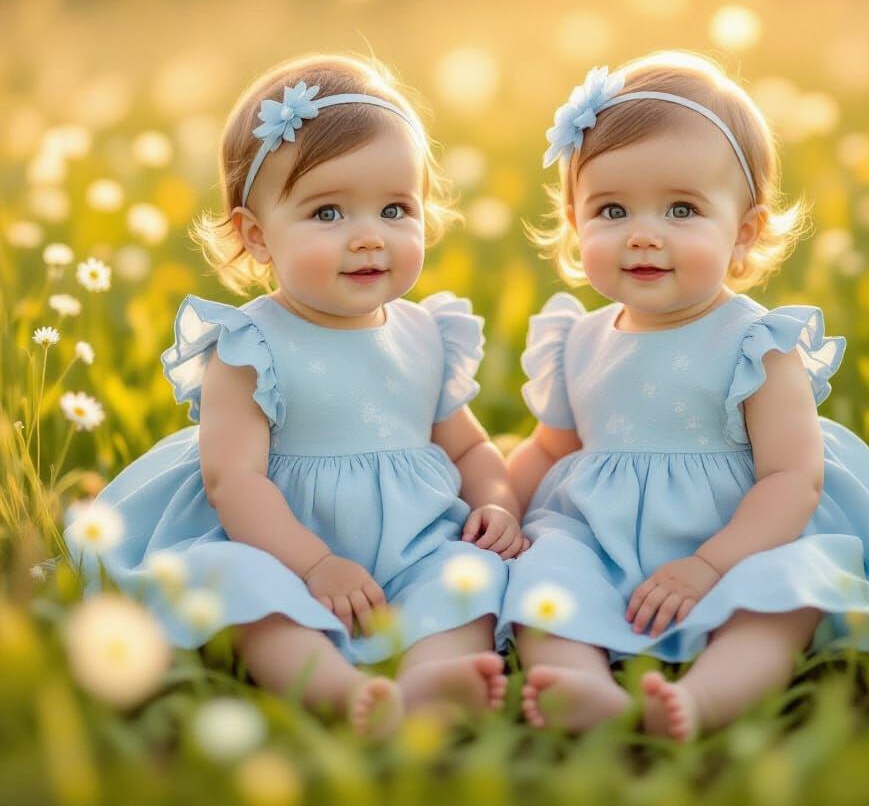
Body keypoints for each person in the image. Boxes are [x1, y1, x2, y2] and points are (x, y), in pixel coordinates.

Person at [496, 51, 869, 740]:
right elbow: (549, 448)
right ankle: (582, 684)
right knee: (545, 577)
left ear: (742, 232)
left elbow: (792, 478)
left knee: (780, 600)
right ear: (574, 220)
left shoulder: (757, 344)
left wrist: (711, 563)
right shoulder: (576, 339)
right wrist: (496, 507)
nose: (643, 233)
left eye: (682, 208)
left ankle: (702, 700)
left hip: (743, 533)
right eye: (611, 209)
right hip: (601, 533)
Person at [65, 53, 526, 736]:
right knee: (243, 590)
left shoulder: (427, 332)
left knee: (470, 576)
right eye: (328, 211)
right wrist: (314, 563)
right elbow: (233, 479)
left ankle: (433, 672)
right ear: (257, 235)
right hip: (272, 540)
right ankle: (341, 691)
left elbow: (468, 443)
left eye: (395, 208)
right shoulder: (251, 345)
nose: (368, 235)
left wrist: (495, 499)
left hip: (407, 543)